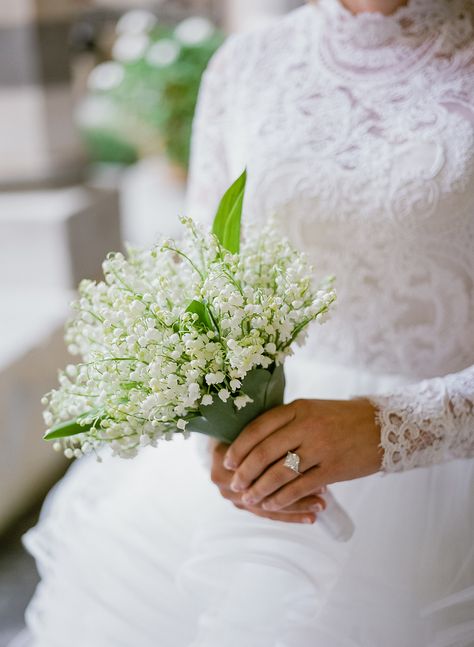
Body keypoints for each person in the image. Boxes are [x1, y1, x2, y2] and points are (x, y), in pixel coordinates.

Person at [19, 0, 474, 645]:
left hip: (446, 480)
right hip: (264, 449)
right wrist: (224, 437)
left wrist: (390, 428)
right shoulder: (247, 64)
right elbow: (205, 272)